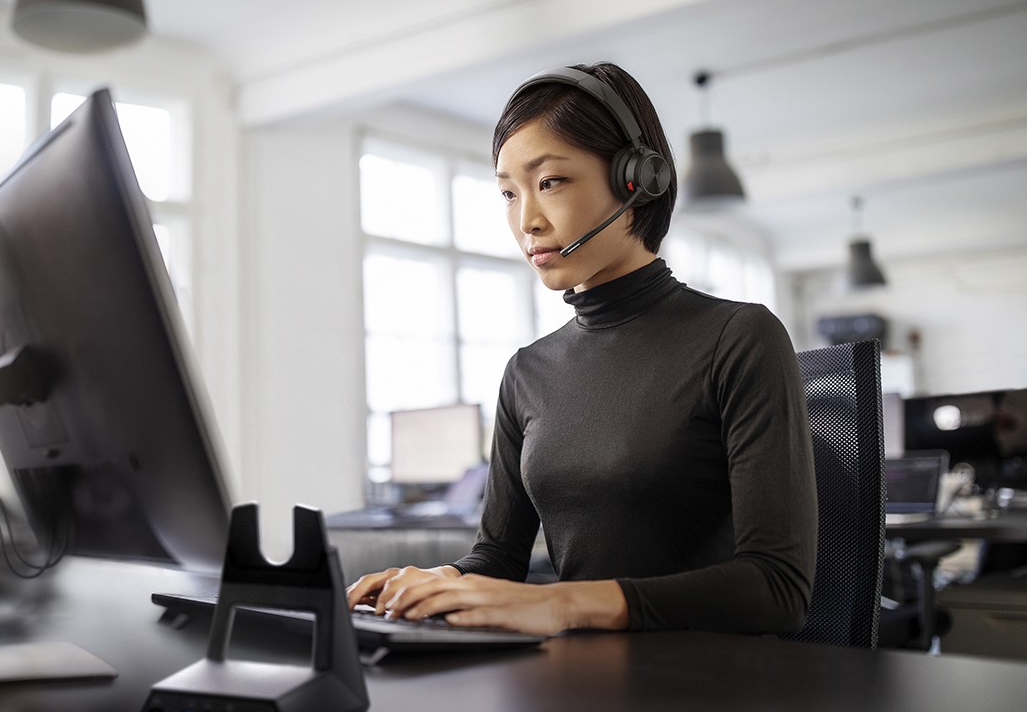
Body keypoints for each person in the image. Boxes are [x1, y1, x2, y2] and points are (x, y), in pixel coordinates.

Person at [346, 62, 817, 636]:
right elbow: (497, 560)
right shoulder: (527, 372)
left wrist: (564, 603)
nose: (527, 222)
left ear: (636, 180)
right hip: (580, 676)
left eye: (550, 182)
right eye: (508, 193)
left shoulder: (738, 338)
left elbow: (778, 589)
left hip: (708, 680)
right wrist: (438, 580)